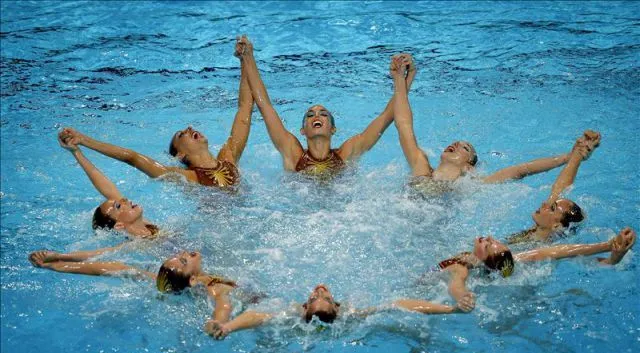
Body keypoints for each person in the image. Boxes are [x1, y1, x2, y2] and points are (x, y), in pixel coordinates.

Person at [58, 42, 254, 189]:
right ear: (180, 154)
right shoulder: (187, 178)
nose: (189, 128)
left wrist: (245, 59)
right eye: (181, 135)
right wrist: (84, 140)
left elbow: (245, 108)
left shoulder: (228, 157)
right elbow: (132, 158)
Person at [391, 56, 592, 185]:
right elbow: (403, 125)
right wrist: (400, 79)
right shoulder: (421, 168)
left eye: (465, 148)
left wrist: (569, 157)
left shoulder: (470, 187)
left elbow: (521, 170)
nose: (455, 144)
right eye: (458, 144)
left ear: (469, 166)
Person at [236, 35, 415, 178]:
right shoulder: (292, 153)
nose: (316, 116)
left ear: (333, 129)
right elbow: (264, 105)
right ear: (302, 130)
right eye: (310, 115)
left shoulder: (347, 153)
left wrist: (406, 77)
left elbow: (386, 117)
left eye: (323, 114)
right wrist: (248, 57)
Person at [28, 249, 237, 329]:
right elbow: (224, 305)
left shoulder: (164, 284)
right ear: (192, 279)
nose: (186, 252)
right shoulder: (212, 287)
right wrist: (218, 322)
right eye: (183, 260)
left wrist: (57, 264)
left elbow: (115, 268)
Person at [436, 228, 636, 309]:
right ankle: (611, 260)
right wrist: (606, 245)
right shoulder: (511, 264)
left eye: (488, 244)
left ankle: (611, 260)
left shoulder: (463, 267)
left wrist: (462, 298)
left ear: (484, 260)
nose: (487, 239)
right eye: (491, 241)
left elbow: (456, 285)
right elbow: (558, 252)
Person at [204, 283, 474, 339]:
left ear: (304, 306)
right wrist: (450, 309)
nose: (320, 289)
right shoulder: (351, 313)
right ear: (337, 306)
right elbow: (400, 303)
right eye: (324, 296)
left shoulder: (291, 314)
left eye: (315, 296)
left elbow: (258, 316)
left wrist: (228, 327)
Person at [58, 131, 159, 238]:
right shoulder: (139, 245)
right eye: (118, 206)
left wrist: (76, 152)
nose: (124, 200)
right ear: (119, 225)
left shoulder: (146, 226)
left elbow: (107, 188)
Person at [507, 130, 600, 244]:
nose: (544, 204)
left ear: (556, 226)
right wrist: (577, 155)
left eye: (552, 208)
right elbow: (559, 188)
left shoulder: (540, 253)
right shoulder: (536, 234)